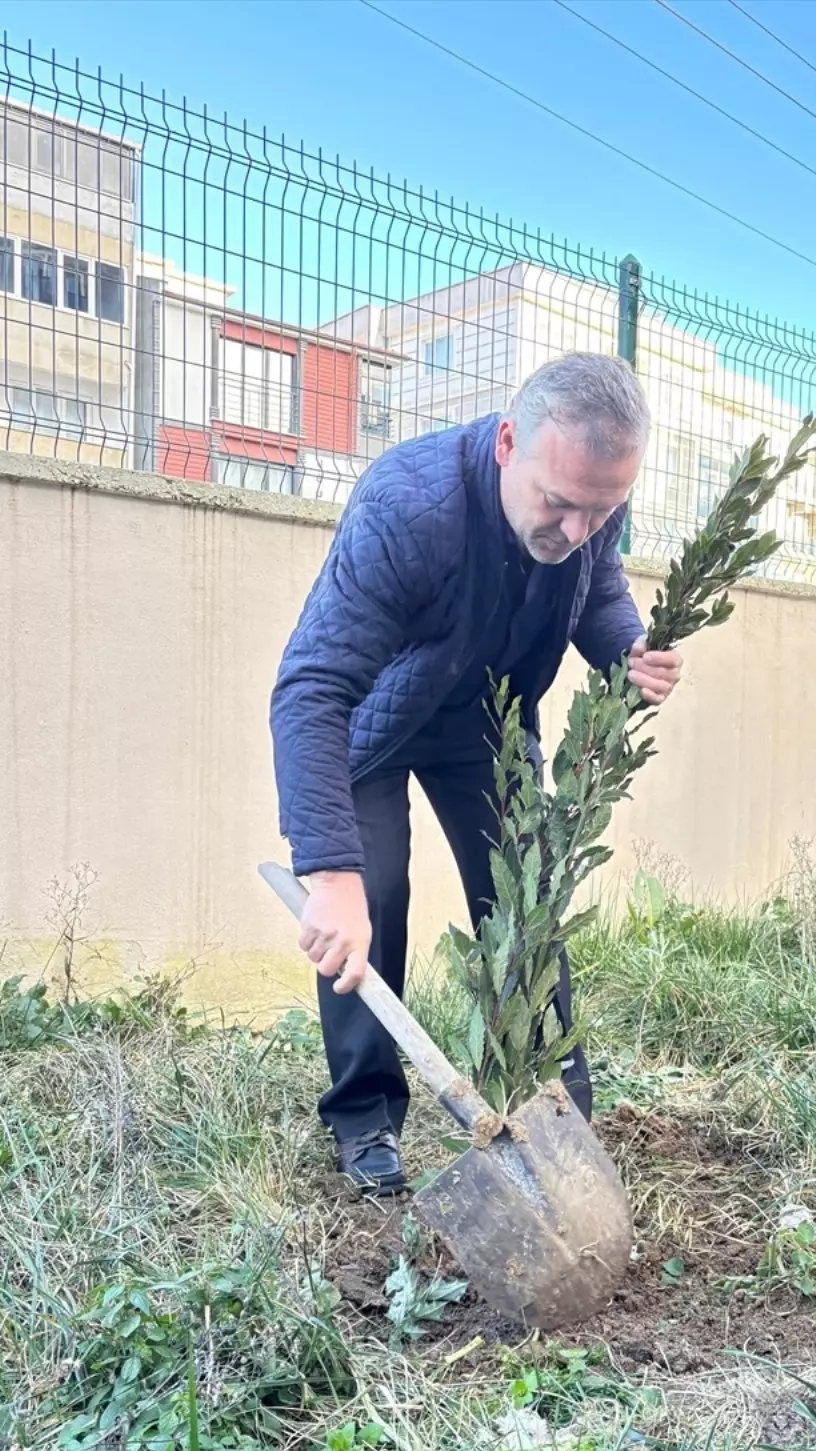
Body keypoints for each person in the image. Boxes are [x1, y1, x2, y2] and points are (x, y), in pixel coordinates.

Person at [270, 353, 682, 1191]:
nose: (576, 531)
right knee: (371, 904)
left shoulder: (588, 511)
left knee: (527, 901)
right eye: (559, 504)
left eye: (602, 512)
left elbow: (598, 594)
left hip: (485, 725)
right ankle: (366, 1116)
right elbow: (310, 688)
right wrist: (331, 870)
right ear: (506, 444)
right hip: (373, 724)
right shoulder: (406, 507)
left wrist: (625, 652)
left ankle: (555, 1114)